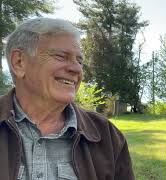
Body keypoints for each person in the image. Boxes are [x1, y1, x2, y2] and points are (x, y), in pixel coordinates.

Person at [1, 18, 134, 180]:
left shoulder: (107, 136)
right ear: (19, 62)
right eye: (61, 56)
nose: (76, 69)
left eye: (80, 61)